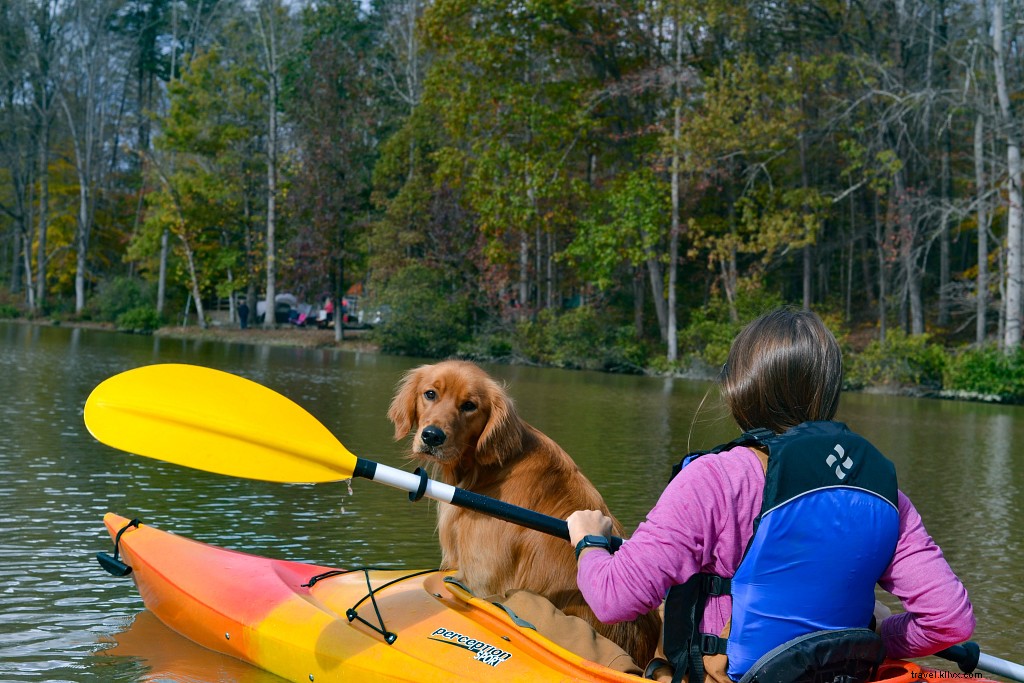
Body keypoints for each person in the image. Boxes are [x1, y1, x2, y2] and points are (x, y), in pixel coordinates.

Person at [567, 307, 974, 682]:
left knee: (530, 612)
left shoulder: (715, 480)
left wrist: (588, 541)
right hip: (839, 675)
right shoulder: (885, 495)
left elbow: (613, 599)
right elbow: (948, 621)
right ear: (830, 391)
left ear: (739, 386)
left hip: (731, 676)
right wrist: (881, 633)